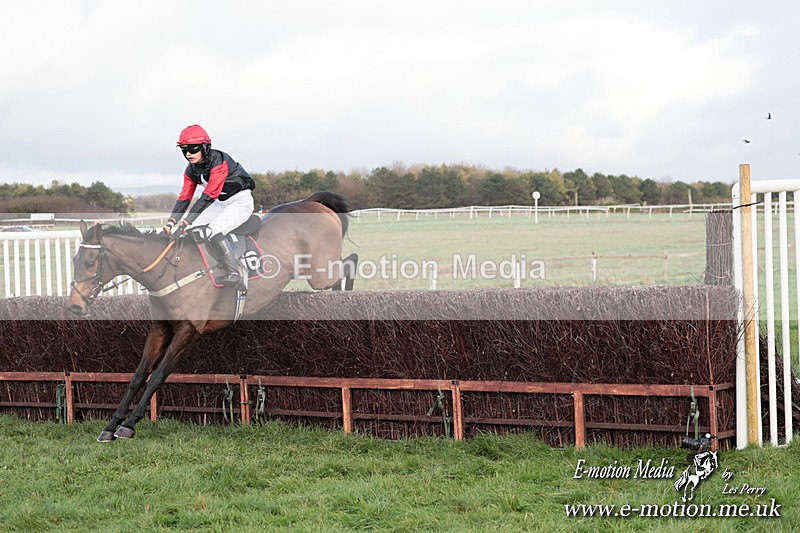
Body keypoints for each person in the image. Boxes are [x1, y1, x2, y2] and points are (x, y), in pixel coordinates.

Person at [163, 124, 255, 287]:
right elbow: (185, 197)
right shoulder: (190, 170)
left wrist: (186, 221)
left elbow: (209, 195)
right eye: (184, 149)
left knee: (212, 231)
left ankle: (234, 272)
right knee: (189, 232)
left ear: (205, 147)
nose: (188, 154)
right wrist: (172, 222)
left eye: (193, 148)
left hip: (240, 201)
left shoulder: (219, 160)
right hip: (220, 204)